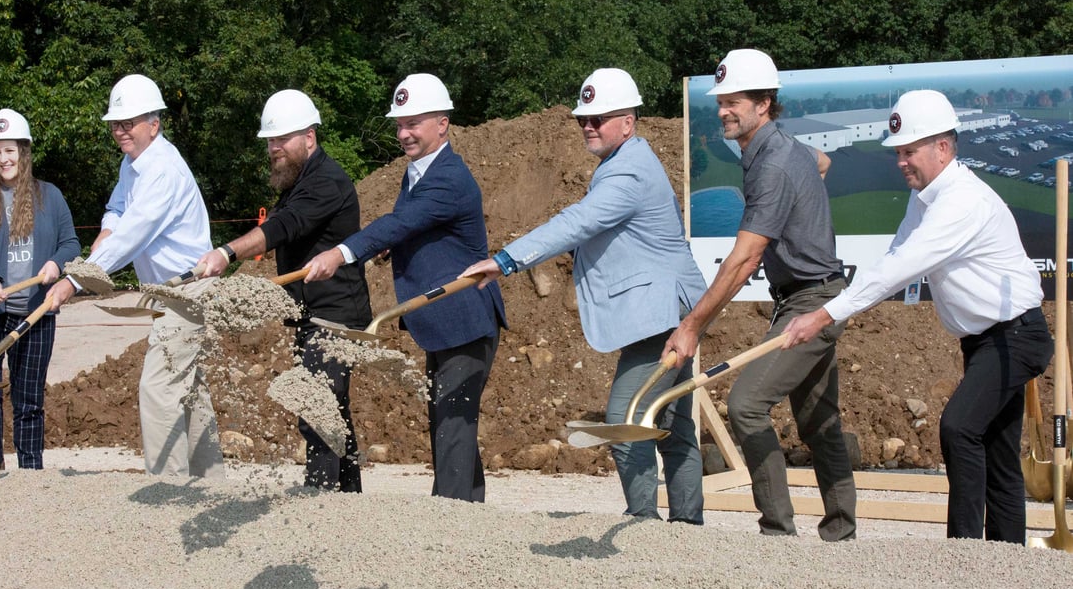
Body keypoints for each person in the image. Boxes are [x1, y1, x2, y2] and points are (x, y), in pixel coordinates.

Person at [783, 90, 1053, 544]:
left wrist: (824, 314)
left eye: (910, 151)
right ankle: (1009, 562)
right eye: (899, 153)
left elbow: (901, 268)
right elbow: (893, 257)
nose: (901, 162)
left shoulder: (961, 201)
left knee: (959, 428)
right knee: (999, 454)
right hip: (985, 341)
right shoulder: (926, 196)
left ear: (942, 148)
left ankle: (964, 553)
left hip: (1016, 336)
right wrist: (838, 312)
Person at [460, 68, 709, 522]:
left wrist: (507, 260)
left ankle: (645, 526)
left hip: (661, 312)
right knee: (672, 424)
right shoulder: (625, 161)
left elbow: (579, 221)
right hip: (665, 307)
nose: (588, 126)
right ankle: (686, 528)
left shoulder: (628, 172)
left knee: (626, 417)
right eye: (583, 119)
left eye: (599, 118)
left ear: (628, 122)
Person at [662, 48, 857, 541]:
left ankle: (777, 532)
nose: (724, 109)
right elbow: (824, 160)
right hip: (814, 292)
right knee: (818, 419)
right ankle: (842, 531)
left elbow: (744, 259)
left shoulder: (772, 165)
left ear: (764, 103)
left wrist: (690, 327)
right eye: (721, 101)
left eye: (735, 101)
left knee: (747, 405)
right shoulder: (779, 150)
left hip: (812, 302)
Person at [304, 73, 507, 502]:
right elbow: (415, 227)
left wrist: (342, 253)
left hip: (465, 319)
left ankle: (449, 520)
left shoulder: (448, 176)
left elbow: (401, 221)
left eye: (413, 123)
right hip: (442, 321)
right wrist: (393, 248)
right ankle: (471, 513)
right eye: (399, 124)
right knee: (451, 421)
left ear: (442, 123)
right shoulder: (417, 172)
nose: (403, 133)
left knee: (452, 422)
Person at [47, 74, 224, 478]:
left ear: (153, 124)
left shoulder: (161, 169)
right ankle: (211, 485)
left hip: (189, 291)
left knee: (159, 389)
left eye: (129, 123)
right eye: (115, 124)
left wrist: (75, 279)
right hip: (170, 294)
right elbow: (118, 208)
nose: (120, 131)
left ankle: (170, 489)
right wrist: (107, 226)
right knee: (189, 391)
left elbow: (133, 233)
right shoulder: (134, 163)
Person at [196, 90, 373, 491]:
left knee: (317, 412)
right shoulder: (298, 181)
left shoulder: (326, 181)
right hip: (314, 317)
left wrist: (227, 252)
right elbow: (279, 221)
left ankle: (321, 501)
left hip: (335, 318)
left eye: (283, 140)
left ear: (309, 137)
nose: (274, 148)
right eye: (270, 141)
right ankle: (349, 503)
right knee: (331, 412)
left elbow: (281, 228)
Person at [0, 108, 81, 470]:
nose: (2, 159)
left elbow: (71, 243)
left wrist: (56, 264)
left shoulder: (50, 196)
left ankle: (30, 477)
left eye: (9, 150)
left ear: (23, 152)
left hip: (35, 312)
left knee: (28, 400)